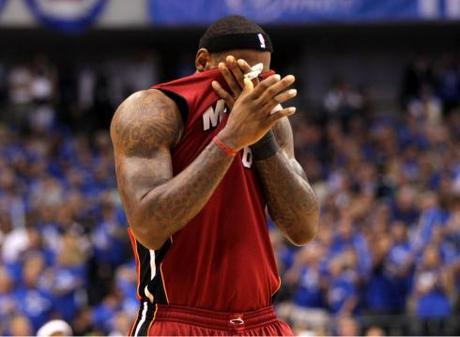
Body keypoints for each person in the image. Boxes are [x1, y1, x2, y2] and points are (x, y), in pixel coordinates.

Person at [111, 15, 319, 336]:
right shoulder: (153, 110)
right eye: (242, 71)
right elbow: (149, 226)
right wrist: (231, 138)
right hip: (180, 320)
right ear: (203, 61)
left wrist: (259, 137)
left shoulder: (272, 122)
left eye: (261, 75)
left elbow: (303, 229)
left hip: (260, 321)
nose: (252, 86)